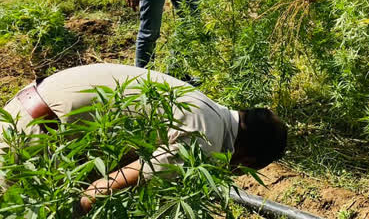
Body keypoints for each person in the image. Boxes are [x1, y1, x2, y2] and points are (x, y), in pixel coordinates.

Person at [0, 63, 287, 213]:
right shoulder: (205, 138)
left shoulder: (209, 110)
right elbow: (102, 189)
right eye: (238, 170)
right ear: (245, 158)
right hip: (31, 135)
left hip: (30, 109)